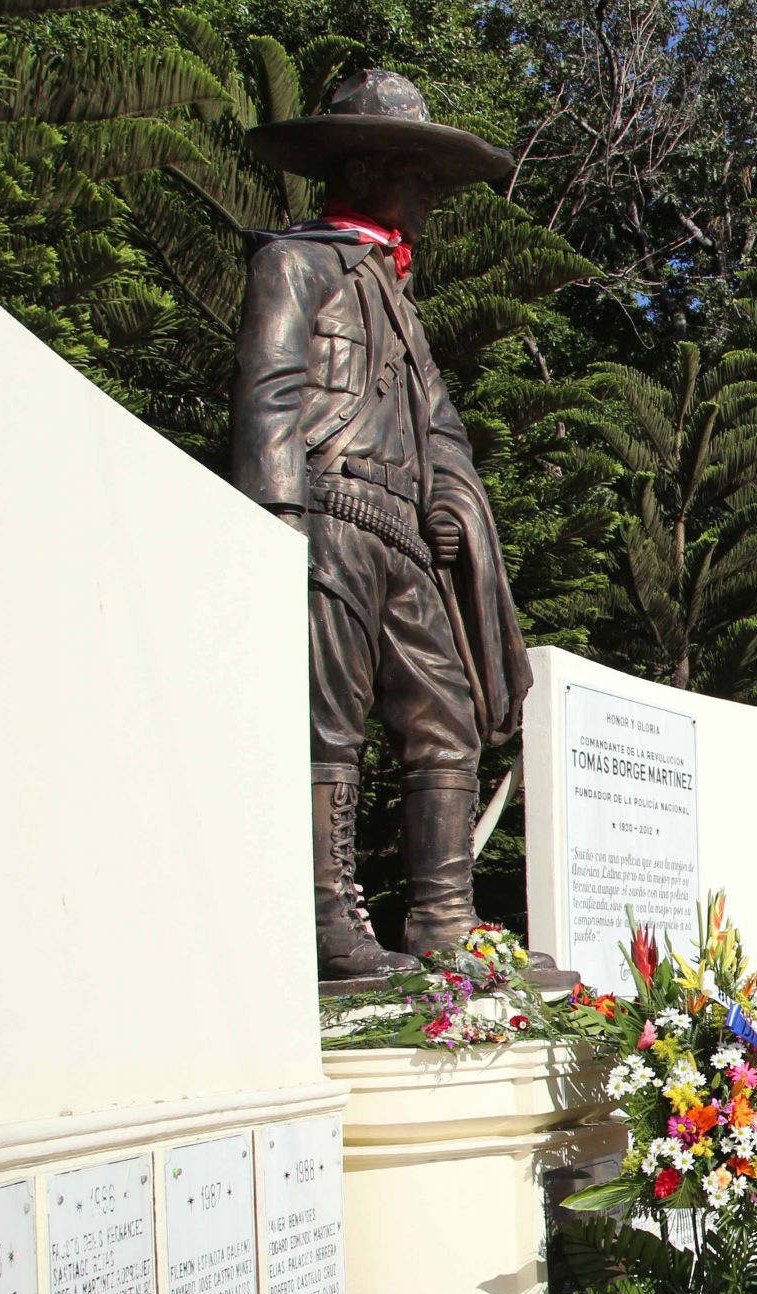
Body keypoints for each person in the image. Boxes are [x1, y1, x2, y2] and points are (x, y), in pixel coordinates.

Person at [236, 69, 530, 975]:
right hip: (328, 514)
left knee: (446, 717)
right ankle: (332, 925)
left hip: (406, 538)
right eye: (418, 173)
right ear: (364, 167)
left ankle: (446, 923)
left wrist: (449, 498)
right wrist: (275, 525)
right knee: (330, 720)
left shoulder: (401, 298)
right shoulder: (297, 260)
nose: (432, 196)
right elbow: (270, 391)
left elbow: (441, 426)